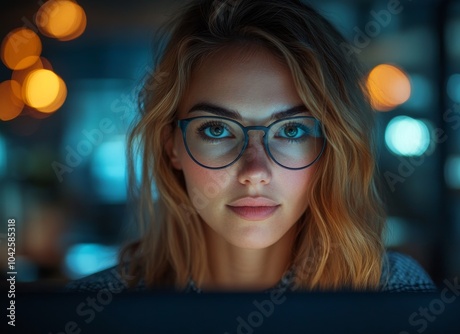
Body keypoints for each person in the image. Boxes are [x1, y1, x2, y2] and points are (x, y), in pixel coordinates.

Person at [66, 0, 435, 293]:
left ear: (331, 148)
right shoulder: (96, 309)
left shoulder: (391, 293)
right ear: (172, 146)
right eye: (215, 129)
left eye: (291, 130)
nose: (254, 172)